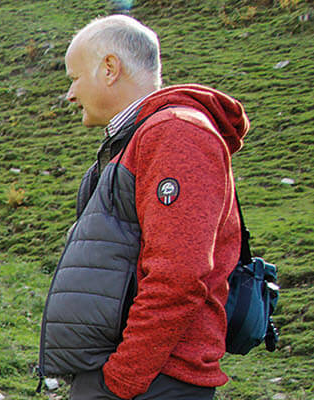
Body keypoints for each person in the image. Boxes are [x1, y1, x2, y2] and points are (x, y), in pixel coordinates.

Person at [37, 14, 248, 400]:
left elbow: (179, 275)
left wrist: (121, 380)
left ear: (109, 68)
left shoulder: (176, 133)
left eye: (74, 78)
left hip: (152, 381)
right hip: (137, 376)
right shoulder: (138, 139)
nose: (70, 94)